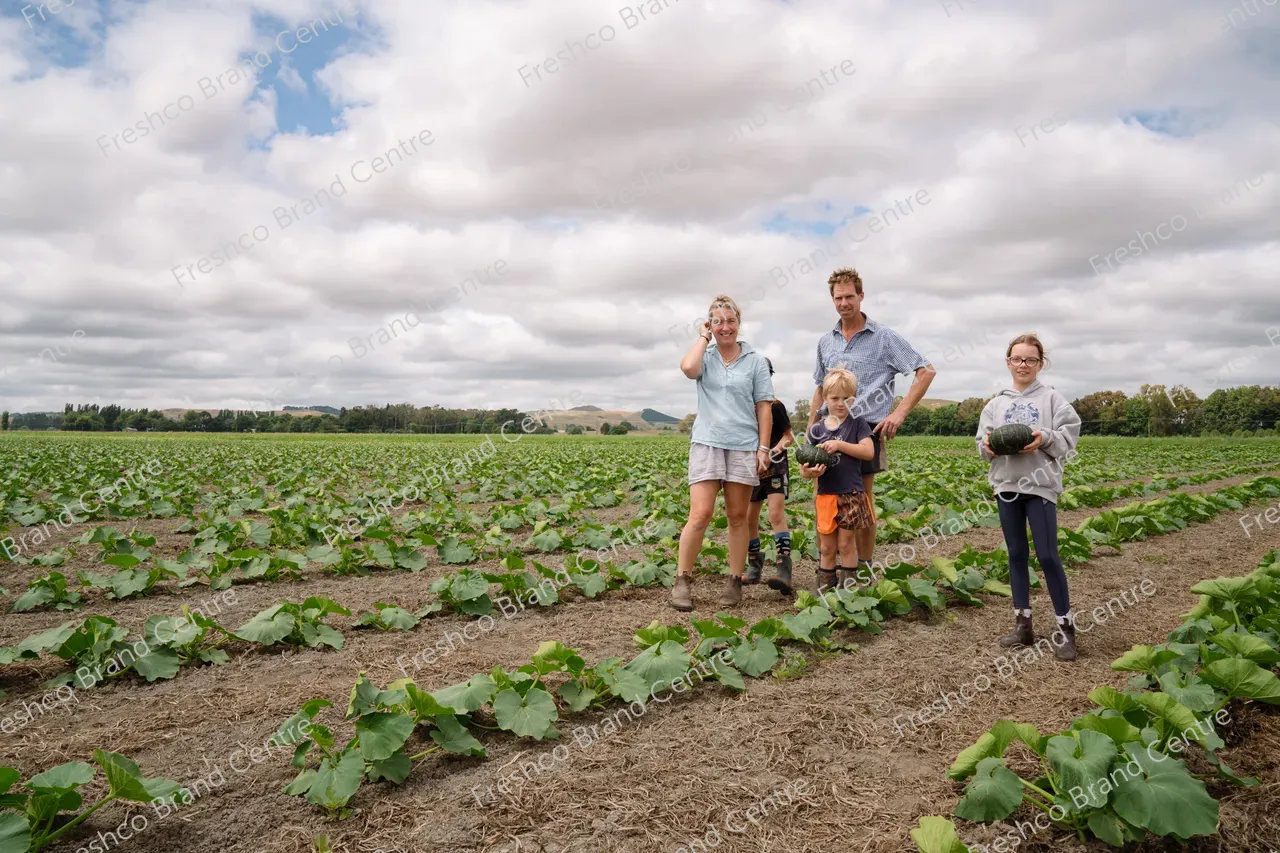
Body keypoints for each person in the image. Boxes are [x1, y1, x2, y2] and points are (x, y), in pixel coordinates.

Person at [808, 268, 935, 576]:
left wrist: (899, 412)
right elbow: (820, 388)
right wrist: (810, 430)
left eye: (849, 296)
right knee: (824, 498)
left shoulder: (883, 337)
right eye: (838, 298)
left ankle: (861, 570)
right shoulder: (826, 341)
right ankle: (829, 568)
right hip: (828, 430)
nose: (844, 303)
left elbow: (925, 371)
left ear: (861, 296)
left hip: (864, 429)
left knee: (860, 502)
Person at [977, 334, 1082, 661]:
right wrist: (989, 447)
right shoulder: (995, 404)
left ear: (1040, 363)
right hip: (1006, 486)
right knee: (1016, 554)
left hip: (1040, 486)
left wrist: (1044, 438)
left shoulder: (1052, 400)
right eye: (1017, 359)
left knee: (1048, 555)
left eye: (1030, 360)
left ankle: (1066, 629)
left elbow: (1069, 437)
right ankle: (1023, 625)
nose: (1023, 365)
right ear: (1008, 362)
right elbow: (982, 444)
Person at [672, 295, 774, 612]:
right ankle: (682, 580)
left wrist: (763, 448)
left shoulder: (756, 361)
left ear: (738, 323)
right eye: (718, 322)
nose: (725, 327)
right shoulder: (704, 356)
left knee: (737, 516)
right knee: (700, 514)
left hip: (743, 445)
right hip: (707, 443)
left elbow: (764, 406)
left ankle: (734, 579)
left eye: (730, 321)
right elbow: (688, 368)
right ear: (710, 325)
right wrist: (704, 337)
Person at [796, 368, 875, 594]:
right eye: (835, 398)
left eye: (846, 398)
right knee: (827, 546)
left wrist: (839, 445)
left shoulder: (858, 424)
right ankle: (825, 585)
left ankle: (847, 589)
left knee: (846, 544)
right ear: (825, 398)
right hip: (826, 495)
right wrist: (808, 473)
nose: (841, 403)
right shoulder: (817, 430)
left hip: (851, 494)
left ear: (854, 399)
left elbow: (868, 452)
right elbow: (804, 466)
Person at [745, 358, 796, 590]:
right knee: (749, 519)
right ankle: (754, 567)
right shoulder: (744, 407)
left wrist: (771, 453)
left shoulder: (775, 405)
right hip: (751, 469)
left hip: (775, 468)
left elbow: (788, 437)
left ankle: (784, 571)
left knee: (775, 515)